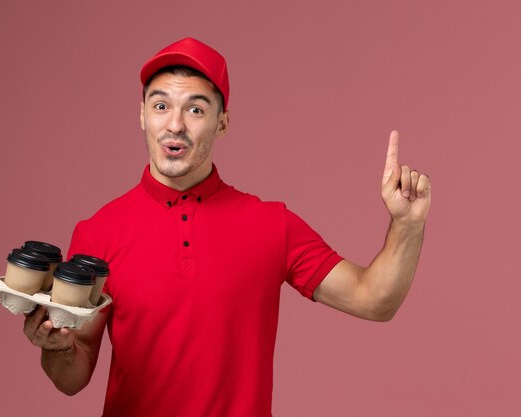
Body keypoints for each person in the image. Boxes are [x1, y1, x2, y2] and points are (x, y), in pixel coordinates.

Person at [23, 37, 431, 417]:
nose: (176, 125)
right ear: (142, 116)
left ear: (222, 124)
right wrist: (57, 348)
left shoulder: (272, 224)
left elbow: (375, 299)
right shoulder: (98, 232)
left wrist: (407, 224)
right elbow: (73, 378)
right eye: (160, 106)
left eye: (196, 109)